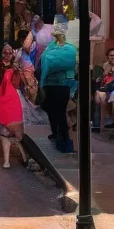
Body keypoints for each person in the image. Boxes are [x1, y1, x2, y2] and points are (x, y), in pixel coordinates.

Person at [0, 44, 28, 168]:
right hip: (1, 93)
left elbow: (19, 83)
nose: (7, 55)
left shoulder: (15, 67)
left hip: (12, 95)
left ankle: (19, 155)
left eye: (10, 53)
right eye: (5, 53)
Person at [40, 25, 77, 153]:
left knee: (59, 112)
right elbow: (45, 66)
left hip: (62, 84)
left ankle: (64, 141)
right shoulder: (50, 48)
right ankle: (57, 135)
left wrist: (53, 63)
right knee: (53, 110)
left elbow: (70, 64)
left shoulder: (68, 49)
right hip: (53, 84)